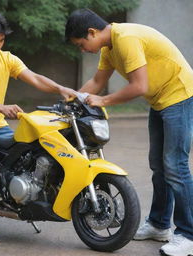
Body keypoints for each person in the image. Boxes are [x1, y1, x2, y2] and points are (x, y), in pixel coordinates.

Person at [65, 8, 193, 256]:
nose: (82, 50)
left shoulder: (125, 39)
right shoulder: (109, 48)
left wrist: (104, 101)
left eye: (81, 44)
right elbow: (97, 83)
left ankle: (188, 235)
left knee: (175, 167)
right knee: (159, 165)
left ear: (92, 32)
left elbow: (139, 86)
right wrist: (70, 103)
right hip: (160, 100)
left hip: (179, 96)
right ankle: (159, 224)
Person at [0, 11, 76, 228]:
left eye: (1, 40)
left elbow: (35, 78)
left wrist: (60, 88)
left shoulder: (7, 59)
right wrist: (1, 107)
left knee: (30, 155)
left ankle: (19, 199)